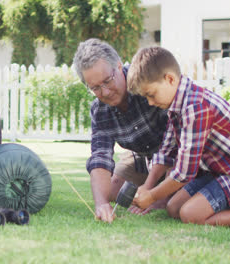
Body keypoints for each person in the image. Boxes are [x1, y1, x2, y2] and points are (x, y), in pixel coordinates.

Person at [129, 46, 230, 226]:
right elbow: (166, 152)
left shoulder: (195, 107)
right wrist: (147, 186)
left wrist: (152, 196)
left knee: (190, 215)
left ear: (169, 79)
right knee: (173, 207)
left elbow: (184, 173)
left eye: (151, 95)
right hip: (221, 172)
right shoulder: (177, 105)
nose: (150, 102)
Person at [72, 38, 169, 223]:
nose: (105, 92)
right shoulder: (99, 110)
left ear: (118, 66)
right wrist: (101, 203)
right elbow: (100, 156)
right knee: (112, 191)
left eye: (107, 81)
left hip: (174, 156)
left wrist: (155, 196)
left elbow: (174, 144)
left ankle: (166, 192)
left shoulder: (145, 83)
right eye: (95, 88)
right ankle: (152, 188)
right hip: (141, 157)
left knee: (172, 201)